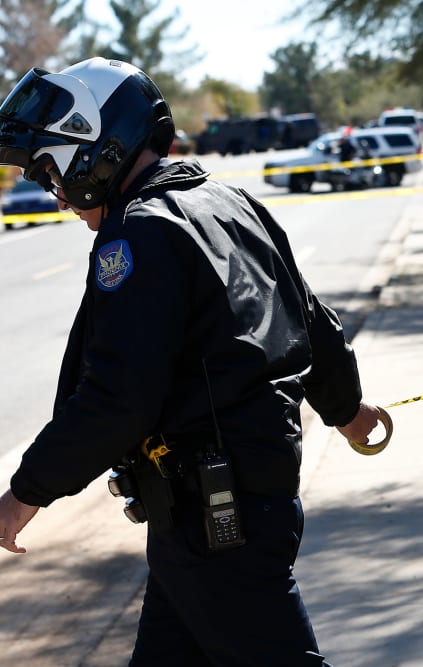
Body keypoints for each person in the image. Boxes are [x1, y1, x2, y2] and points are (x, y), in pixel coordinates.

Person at [0, 57, 380, 665]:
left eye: (52, 171)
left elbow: (117, 397)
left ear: (95, 148)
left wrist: (23, 495)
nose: (56, 194)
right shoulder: (230, 201)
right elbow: (309, 318)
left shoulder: (139, 235)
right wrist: (347, 409)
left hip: (215, 519)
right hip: (226, 506)